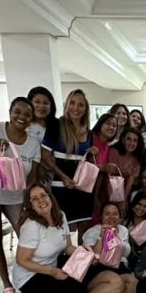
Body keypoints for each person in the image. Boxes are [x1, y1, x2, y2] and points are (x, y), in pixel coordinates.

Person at [0, 96, 40, 293]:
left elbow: (33, 176)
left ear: (31, 120)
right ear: (10, 112)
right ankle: (7, 286)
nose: (21, 117)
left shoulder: (33, 143)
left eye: (27, 115)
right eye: (17, 112)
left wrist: (26, 203)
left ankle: (29, 280)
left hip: (17, 198)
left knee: (26, 238)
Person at [13, 185, 85, 293]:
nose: (41, 200)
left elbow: (68, 247)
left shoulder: (61, 216)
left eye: (43, 195)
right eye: (34, 199)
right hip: (30, 275)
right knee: (73, 286)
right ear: (30, 205)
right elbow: (22, 260)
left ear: (50, 197)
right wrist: (51, 271)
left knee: (86, 270)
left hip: (52, 264)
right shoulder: (31, 225)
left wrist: (87, 257)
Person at [64, 202, 138, 293]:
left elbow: (126, 253)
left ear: (120, 217)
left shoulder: (123, 230)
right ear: (101, 216)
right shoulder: (92, 231)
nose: (111, 217)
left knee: (135, 285)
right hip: (98, 268)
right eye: (107, 214)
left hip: (119, 266)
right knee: (117, 283)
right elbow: (91, 256)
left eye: (115, 214)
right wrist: (101, 238)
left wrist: (117, 239)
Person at [41, 88, 96, 229]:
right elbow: (45, 155)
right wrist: (63, 176)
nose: (76, 108)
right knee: (61, 229)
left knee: (84, 228)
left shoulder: (89, 133)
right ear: (67, 105)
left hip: (82, 189)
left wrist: (91, 153)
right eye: (72, 103)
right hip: (61, 187)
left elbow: (87, 162)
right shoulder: (56, 125)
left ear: (85, 109)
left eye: (80, 105)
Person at [108, 126, 146, 211]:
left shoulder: (136, 159)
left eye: (135, 140)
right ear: (123, 140)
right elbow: (110, 175)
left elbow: (130, 182)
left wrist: (123, 200)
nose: (131, 143)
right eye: (128, 139)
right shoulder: (114, 151)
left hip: (123, 193)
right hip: (108, 190)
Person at [125, 190, 146, 265]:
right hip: (128, 261)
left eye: (145, 206)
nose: (141, 208)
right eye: (139, 204)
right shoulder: (125, 222)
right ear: (134, 203)